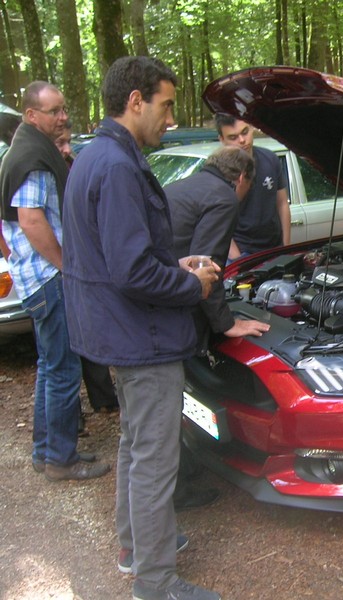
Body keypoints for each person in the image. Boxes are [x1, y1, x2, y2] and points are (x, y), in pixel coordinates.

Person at [61, 56, 221, 600]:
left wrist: (174, 264)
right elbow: (131, 272)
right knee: (155, 459)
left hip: (115, 331)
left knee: (135, 444)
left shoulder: (96, 156)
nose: (170, 118)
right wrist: (192, 288)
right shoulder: (118, 166)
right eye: (166, 104)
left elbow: (118, 256)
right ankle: (156, 585)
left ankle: (134, 546)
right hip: (140, 338)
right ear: (136, 101)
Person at [0, 82, 110, 482]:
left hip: (35, 277)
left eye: (64, 109)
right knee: (63, 368)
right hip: (48, 279)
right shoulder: (31, 157)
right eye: (54, 111)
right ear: (32, 116)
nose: (63, 117)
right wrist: (66, 265)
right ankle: (61, 459)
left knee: (50, 366)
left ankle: (45, 451)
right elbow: (31, 219)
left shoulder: (25, 150)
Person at [164, 145, 270, 512]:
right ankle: (176, 489)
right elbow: (205, 270)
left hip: (154, 305)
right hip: (174, 313)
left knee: (173, 393)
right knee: (171, 393)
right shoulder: (223, 197)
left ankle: (184, 461)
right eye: (249, 187)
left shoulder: (184, 186)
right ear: (241, 178)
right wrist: (228, 324)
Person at [55, 122, 120, 415]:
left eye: (68, 143)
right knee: (65, 358)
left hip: (81, 264)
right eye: (60, 145)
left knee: (90, 344)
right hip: (69, 268)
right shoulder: (47, 171)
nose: (67, 149)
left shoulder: (76, 166)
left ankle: (104, 398)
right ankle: (73, 422)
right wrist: (64, 263)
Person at [214, 113, 290, 260]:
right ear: (222, 140)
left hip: (274, 250)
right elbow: (217, 221)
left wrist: (286, 248)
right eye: (233, 137)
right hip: (242, 255)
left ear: (252, 127)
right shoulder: (217, 172)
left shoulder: (271, 159)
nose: (242, 140)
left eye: (245, 132)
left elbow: (282, 204)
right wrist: (237, 258)